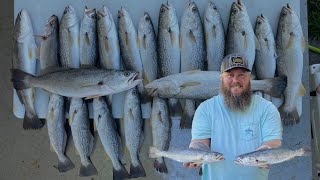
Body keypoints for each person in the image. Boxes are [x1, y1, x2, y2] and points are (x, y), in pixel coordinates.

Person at [184, 54, 283, 180]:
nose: (235, 80)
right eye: (230, 75)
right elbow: (200, 143)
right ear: (221, 78)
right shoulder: (205, 109)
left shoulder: (266, 108)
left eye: (241, 74)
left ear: (250, 78)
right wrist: (194, 155)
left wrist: (266, 150)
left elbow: (273, 141)